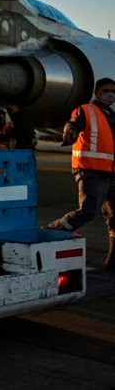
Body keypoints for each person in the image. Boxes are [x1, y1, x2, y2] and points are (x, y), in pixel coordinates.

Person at [46, 77, 115, 271]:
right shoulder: (86, 110)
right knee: (87, 212)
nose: (111, 95)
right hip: (91, 171)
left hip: (110, 174)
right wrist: (70, 132)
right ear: (97, 92)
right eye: (107, 90)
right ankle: (51, 233)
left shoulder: (111, 115)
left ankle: (113, 261)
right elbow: (72, 124)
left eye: (114, 91)